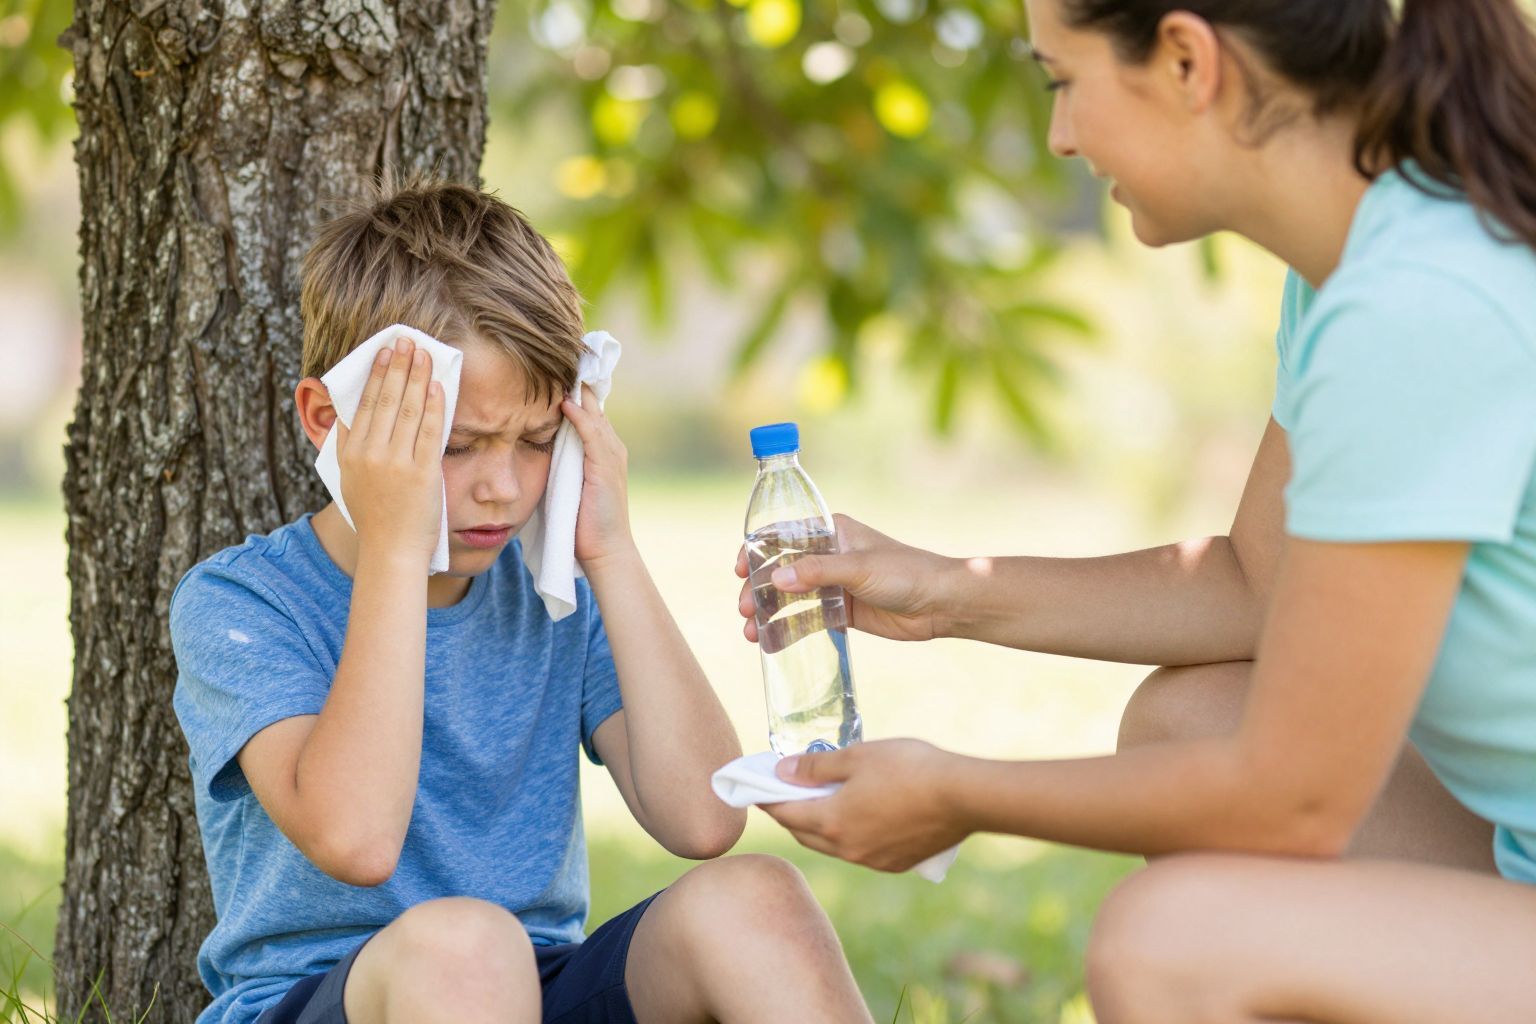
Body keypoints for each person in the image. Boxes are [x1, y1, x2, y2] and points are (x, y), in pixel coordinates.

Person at [736, 1, 1536, 1019]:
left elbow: (1296, 798)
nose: (1061, 134)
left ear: (1188, 59)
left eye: (1063, 80)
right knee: (1188, 719)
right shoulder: (1369, 259)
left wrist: (956, 792)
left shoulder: (1413, 306)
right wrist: (937, 590)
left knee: (1170, 943)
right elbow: (1261, 581)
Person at [171, 179, 873, 1024]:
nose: (501, 489)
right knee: (467, 946)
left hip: (533, 988)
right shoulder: (242, 603)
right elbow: (356, 839)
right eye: (457, 447)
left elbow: (702, 819)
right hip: (328, 999)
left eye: (537, 443)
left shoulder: (551, 587)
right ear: (329, 419)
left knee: (756, 897)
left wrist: (610, 552)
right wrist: (396, 547)